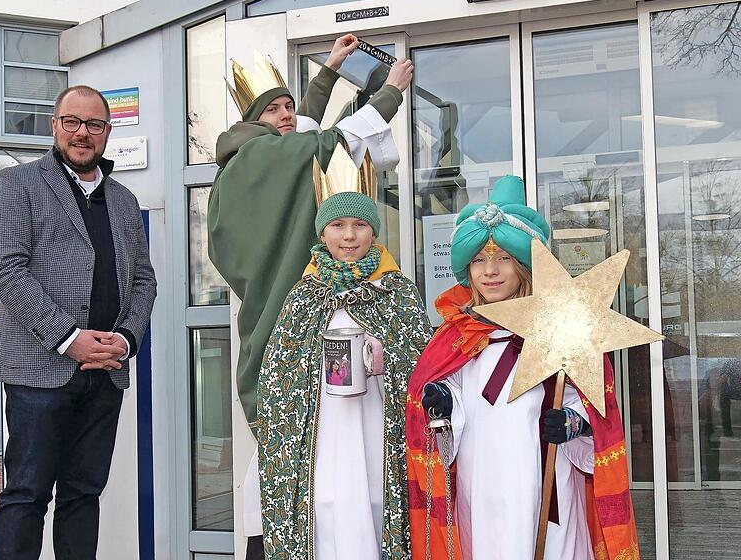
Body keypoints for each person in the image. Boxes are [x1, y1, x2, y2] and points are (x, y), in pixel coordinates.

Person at [207, 34, 413, 557]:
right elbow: (319, 146)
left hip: (289, 331)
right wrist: (388, 93)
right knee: (299, 466)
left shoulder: (247, 165)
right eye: (272, 109)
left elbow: (300, 139)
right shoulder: (260, 157)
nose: (287, 115)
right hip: (288, 327)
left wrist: (329, 72)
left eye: (289, 107)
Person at [405, 175, 639, 560]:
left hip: (546, 482)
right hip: (481, 484)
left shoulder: (563, 327)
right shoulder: (456, 336)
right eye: (479, 260)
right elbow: (447, 401)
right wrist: (443, 402)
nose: (490, 271)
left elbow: (594, 403)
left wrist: (574, 423)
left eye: (502, 259)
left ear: (525, 266)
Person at [0, 85, 157, 560]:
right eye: (73, 122)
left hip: (105, 372)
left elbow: (144, 280)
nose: (84, 134)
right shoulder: (16, 185)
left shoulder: (122, 199)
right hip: (37, 372)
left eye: (95, 125)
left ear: (107, 131)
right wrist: (68, 338)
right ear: (55, 125)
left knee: (83, 495)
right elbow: (5, 271)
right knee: (26, 495)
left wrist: (124, 339)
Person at [257, 190, 434, 560]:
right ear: (323, 235)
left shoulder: (397, 292)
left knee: (375, 505)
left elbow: (425, 367)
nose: (349, 236)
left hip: (377, 431)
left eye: (360, 225)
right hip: (321, 436)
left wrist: (390, 363)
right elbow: (278, 374)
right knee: (323, 508)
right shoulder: (303, 295)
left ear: (374, 233)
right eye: (337, 225)